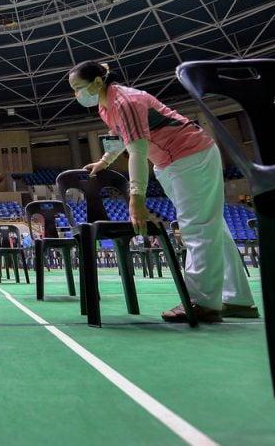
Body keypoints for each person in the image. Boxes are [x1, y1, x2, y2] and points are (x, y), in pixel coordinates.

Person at [67, 60, 258, 323]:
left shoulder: (126, 101)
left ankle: (202, 303)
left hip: (190, 157)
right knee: (213, 228)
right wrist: (105, 161)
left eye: (78, 88)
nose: (76, 95)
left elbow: (137, 151)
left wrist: (136, 199)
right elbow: (121, 137)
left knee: (197, 228)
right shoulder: (105, 105)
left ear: (98, 82)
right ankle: (237, 300)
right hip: (169, 163)